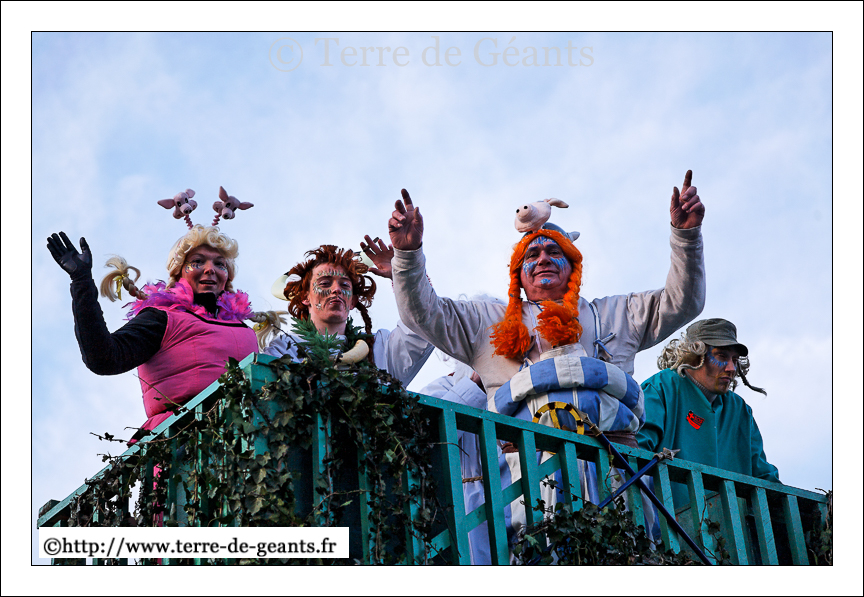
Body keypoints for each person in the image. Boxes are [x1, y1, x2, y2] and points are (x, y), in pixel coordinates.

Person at [387, 171, 706, 537]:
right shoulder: (487, 324)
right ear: (518, 273)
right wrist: (407, 256)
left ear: (572, 265)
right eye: (532, 254)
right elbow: (423, 313)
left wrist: (686, 238)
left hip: (616, 481)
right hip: (529, 496)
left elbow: (682, 302)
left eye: (555, 252)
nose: (543, 259)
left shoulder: (613, 315)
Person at [47, 190, 278, 439]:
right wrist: (81, 281)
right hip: (184, 444)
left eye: (220, 264)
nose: (210, 269)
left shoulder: (245, 330)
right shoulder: (162, 318)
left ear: (227, 277)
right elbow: (103, 358)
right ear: (179, 272)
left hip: (247, 443)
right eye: (198, 262)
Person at [637, 318, 780, 510]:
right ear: (695, 355)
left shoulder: (740, 410)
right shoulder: (661, 388)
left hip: (731, 527)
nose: (731, 368)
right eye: (721, 356)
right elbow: (634, 453)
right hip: (665, 524)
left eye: (734, 360)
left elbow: (764, 477)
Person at [264, 244, 433, 386]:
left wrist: (404, 274)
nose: (336, 289)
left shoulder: (380, 348)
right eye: (325, 283)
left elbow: (425, 329)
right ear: (305, 297)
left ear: (352, 301)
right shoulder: (286, 347)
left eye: (344, 285)